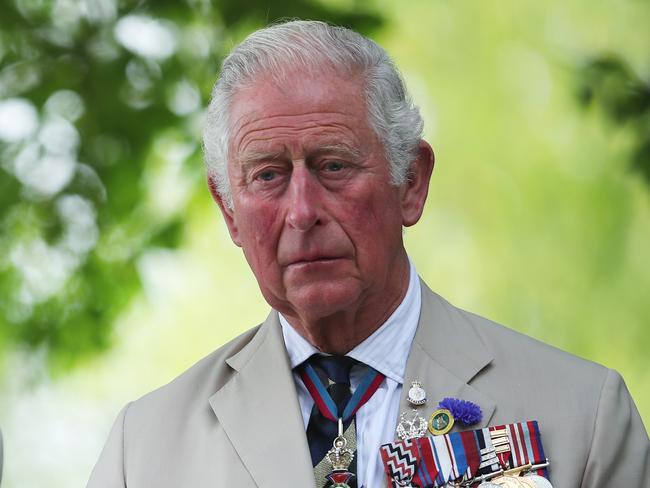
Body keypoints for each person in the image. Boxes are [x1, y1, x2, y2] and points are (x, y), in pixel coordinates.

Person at [87, 20, 649, 488]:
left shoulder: (583, 415)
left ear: (411, 182)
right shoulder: (144, 451)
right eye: (268, 175)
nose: (302, 210)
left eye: (333, 165)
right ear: (230, 210)